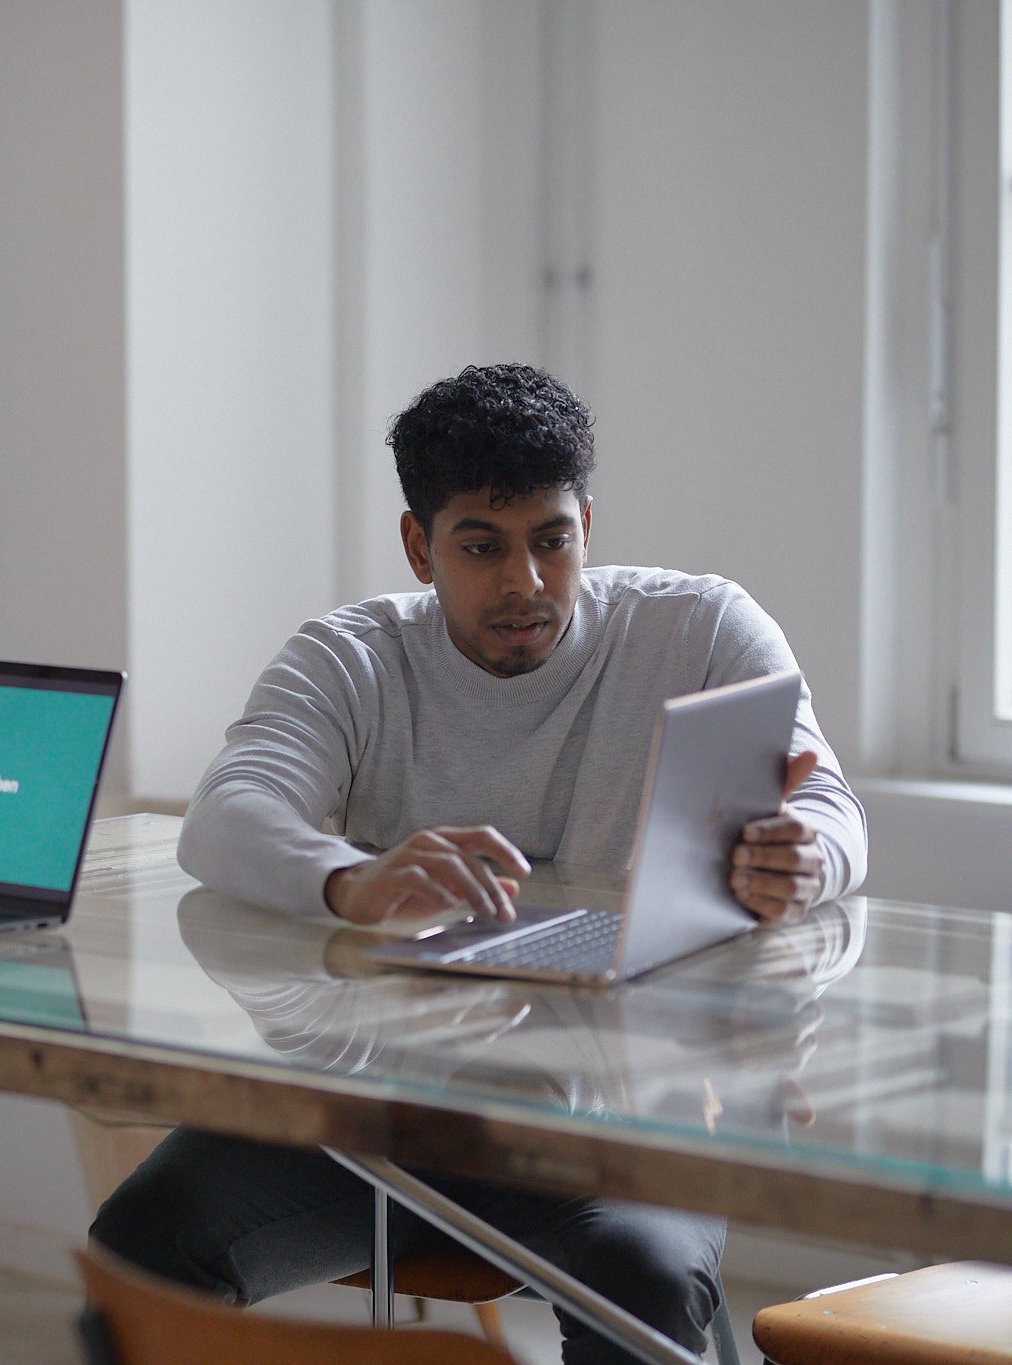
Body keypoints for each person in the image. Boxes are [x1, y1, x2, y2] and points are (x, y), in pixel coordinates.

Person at [90, 363, 867, 1364]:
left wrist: (807, 859)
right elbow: (223, 816)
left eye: (552, 541)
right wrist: (347, 879)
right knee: (137, 1247)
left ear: (587, 521)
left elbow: (829, 806)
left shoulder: (699, 629)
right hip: (373, 1111)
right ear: (417, 545)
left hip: (621, 1122)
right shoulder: (351, 658)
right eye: (479, 547)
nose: (524, 584)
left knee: (647, 1280)